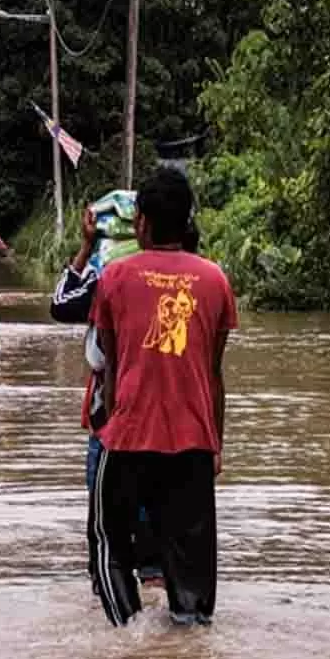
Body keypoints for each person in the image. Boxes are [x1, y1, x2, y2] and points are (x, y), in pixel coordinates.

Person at [88, 168, 236, 627]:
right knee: (190, 563)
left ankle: (128, 637)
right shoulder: (215, 281)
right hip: (193, 441)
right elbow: (213, 373)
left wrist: (113, 429)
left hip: (129, 436)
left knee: (108, 544)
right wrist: (216, 444)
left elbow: (111, 366)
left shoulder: (114, 277)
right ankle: (186, 651)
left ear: (143, 222)